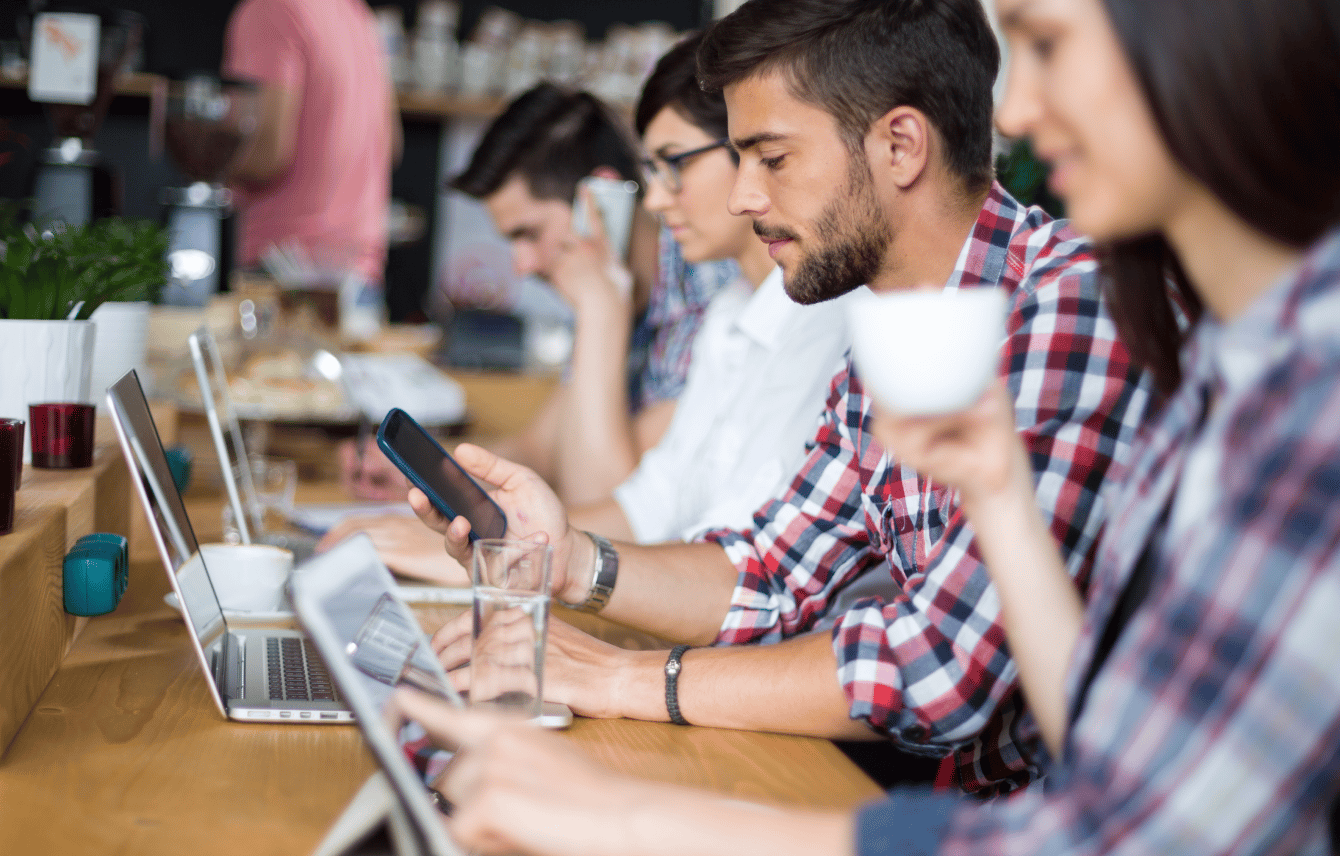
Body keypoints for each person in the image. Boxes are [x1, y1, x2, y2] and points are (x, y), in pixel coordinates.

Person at [392, 0, 1340, 852]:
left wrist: (624, 720)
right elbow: (772, 569)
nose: (740, 196)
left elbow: (965, 687)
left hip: (967, 805)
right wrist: (570, 563)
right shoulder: (918, 324)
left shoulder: (1084, 308)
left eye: (771, 157)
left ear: (898, 147)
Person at [325, 41, 853, 578]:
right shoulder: (730, 310)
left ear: (599, 202)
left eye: (528, 233)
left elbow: (612, 495)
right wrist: (438, 482)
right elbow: (565, 455)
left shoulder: (714, 292)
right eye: (652, 170)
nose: (522, 263)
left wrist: (602, 307)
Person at [223, 0, 400, 286]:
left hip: (286, 266)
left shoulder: (272, 9)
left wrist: (207, 163)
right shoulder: (357, 14)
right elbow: (389, 147)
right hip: (361, 269)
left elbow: (268, 157)